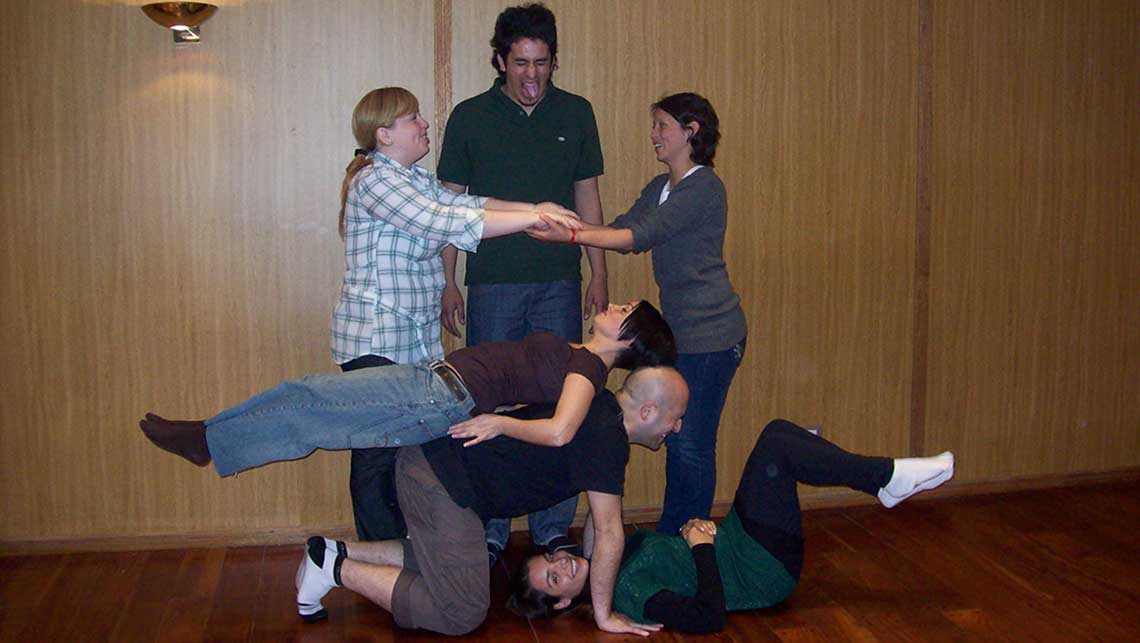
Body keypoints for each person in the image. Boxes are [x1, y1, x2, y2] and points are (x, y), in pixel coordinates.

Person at [330, 86, 582, 541]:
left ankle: (405, 551)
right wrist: (531, 219)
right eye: (413, 118)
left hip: (408, 343)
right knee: (376, 455)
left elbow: (467, 204)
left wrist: (535, 208)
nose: (424, 124)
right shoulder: (375, 180)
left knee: (405, 451)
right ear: (384, 134)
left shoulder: (414, 178)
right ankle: (379, 554)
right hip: (376, 341)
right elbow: (439, 220)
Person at [294, 367, 690, 636]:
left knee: (441, 560)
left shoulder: (599, 410)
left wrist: (599, 583)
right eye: (676, 417)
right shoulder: (607, 439)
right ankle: (334, 569)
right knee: (462, 611)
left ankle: (334, 551)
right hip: (445, 484)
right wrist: (605, 616)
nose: (677, 427)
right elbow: (609, 532)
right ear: (648, 411)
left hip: (434, 468)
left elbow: (602, 528)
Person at [528, 92, 747, 533]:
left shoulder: (704, 188)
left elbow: (639, 236)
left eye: (662, 125)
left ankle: (686, 539)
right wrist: (566, 224)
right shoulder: (660, 187)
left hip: (714, 335)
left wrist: (569, 237)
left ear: (691, 132)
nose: (654, 135)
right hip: (683, 334)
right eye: (655, 125)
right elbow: (620, 228)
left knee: (690, 442)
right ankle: (677, 534)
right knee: (681, 439)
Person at [436, 2, 609, 561]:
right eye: (520, 63)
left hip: (559, 283)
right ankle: (490, 526)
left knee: (560, 402)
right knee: (488, 401)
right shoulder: (469, 116)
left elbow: (588, 198)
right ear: (500, 61)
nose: (532, 75)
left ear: (554, 60)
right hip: (492, 285)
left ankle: (551, 526)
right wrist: (448, 280)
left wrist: (598, 272)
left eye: (542, 62)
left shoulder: (576, 113)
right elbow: (450, 207)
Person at [508, 419, 955, 633]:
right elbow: (708, 618)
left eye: (551, 557)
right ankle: (885, 479)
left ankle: (862, 474)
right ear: (562, 602)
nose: (562, 564)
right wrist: (700, 547)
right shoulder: (627, 593)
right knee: (779, 447)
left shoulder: (610, 561)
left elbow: (612, 518)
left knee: (780, 434)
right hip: (761, 570)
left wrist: (695, 534)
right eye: (554, 579)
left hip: (740, 541)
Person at [139, 300, 676, 476]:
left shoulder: (588, 368)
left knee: (311, 402)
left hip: (438, 396)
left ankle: (207, 441)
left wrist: (498, 423)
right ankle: (208, 437)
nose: (614, 305)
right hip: (433, 386)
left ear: (630, 337)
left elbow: (560, 432)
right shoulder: (581, 357)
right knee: (307, 400)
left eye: (624, 310)